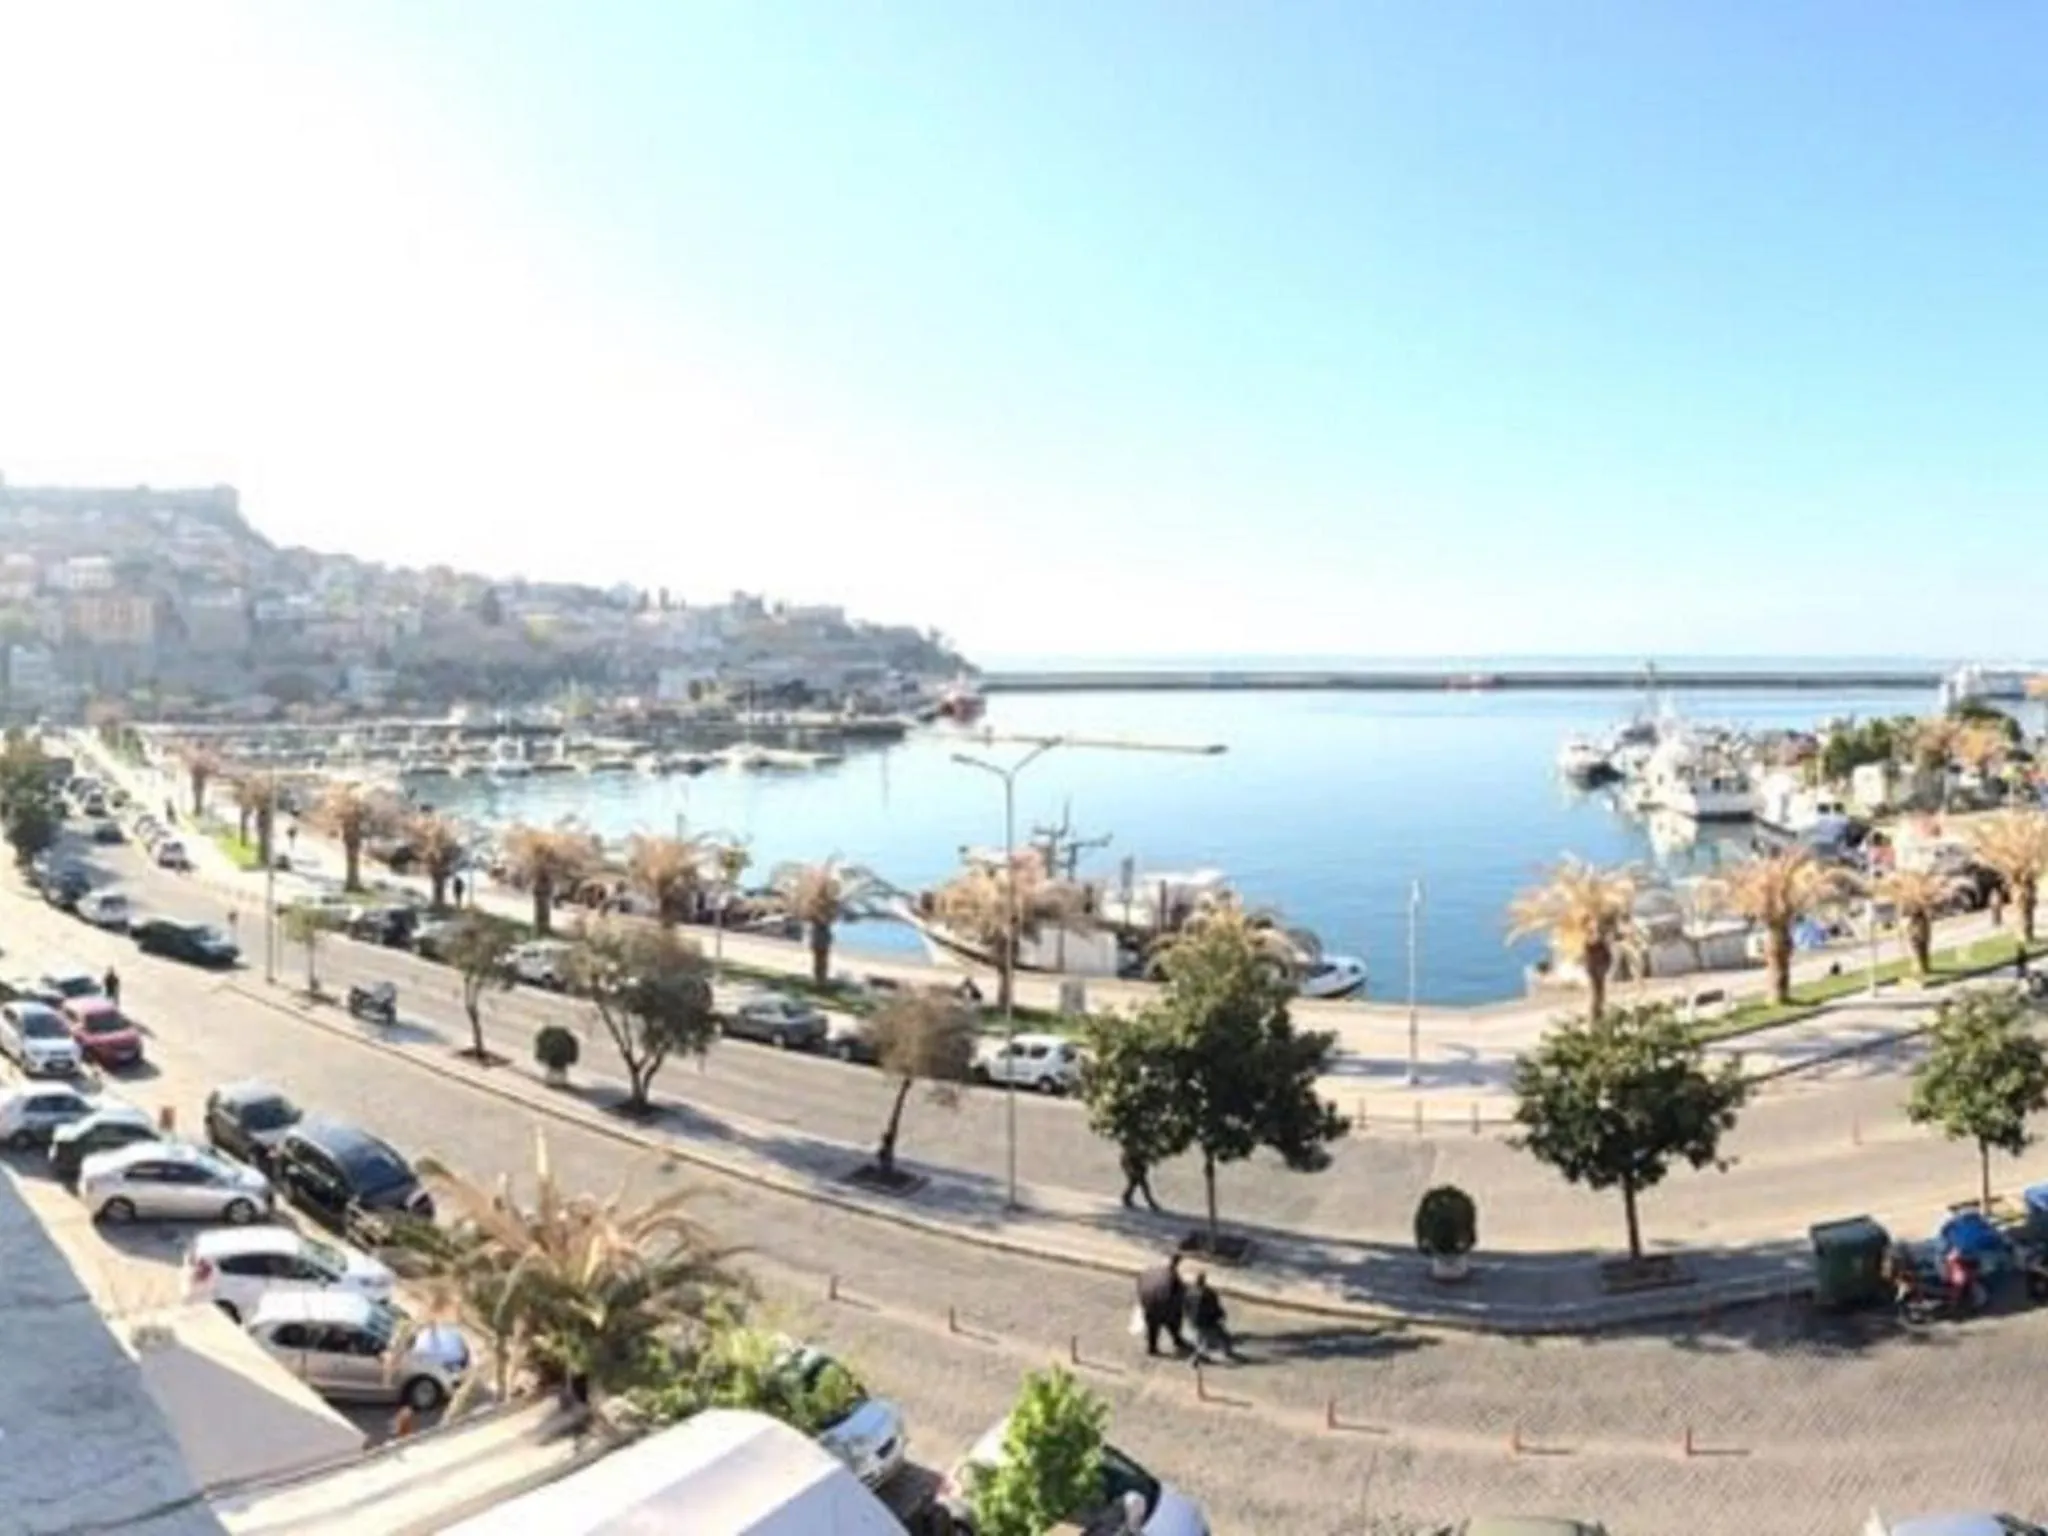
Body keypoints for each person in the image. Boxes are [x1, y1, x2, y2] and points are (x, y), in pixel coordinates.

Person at [1133, 1254, 1188, 1357]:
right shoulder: (1171, 1275)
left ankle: (1152, 1347)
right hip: (1163, 1303)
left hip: (1149, 1301)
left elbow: (1140, 1283)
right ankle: (1176, 1340)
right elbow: (1180, 1291)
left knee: (1152, 1326)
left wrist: (1143, 1301)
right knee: (1173, 1321)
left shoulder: (1150, 1270)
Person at [1186, 1271, 1236, 1363]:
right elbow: (1214, 1307)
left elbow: (1186, 1307)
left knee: (1201, 1339)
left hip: (1195, 1321)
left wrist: (1189, 1318)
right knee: (1223, 1337)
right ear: (1204, 1281)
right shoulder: (1208, 1293)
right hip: (1207, 1322)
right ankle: (1226, 1352)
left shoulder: (1189, 1292)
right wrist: (1220, 1315)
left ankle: (1199, 1356)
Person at [1119, 1147, 1162, 1213]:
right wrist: (1131, 1169)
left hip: (1136, 1166)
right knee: (1142, 1184)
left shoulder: (1141, 1146)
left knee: (1134, 1183)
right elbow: (1126, 1158)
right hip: (1133, 1165)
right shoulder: (1133, 1148)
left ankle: (1126, 1197)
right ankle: (1150, 1202)